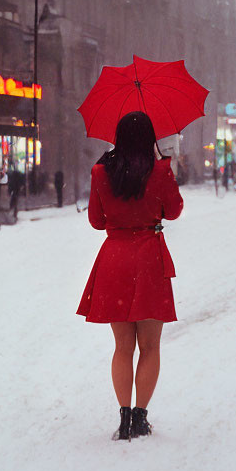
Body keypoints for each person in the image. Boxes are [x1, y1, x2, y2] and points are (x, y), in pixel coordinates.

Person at [77, 111, 183, 442]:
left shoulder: (100, 172)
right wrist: (168, 172)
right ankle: (140, 417)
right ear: (150, 137)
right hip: (149, 258)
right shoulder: (161, 171)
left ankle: (123, 419)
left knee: (123, 346)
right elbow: (175, 211)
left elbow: (96, 220)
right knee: (150, 346)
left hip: (115, 258)